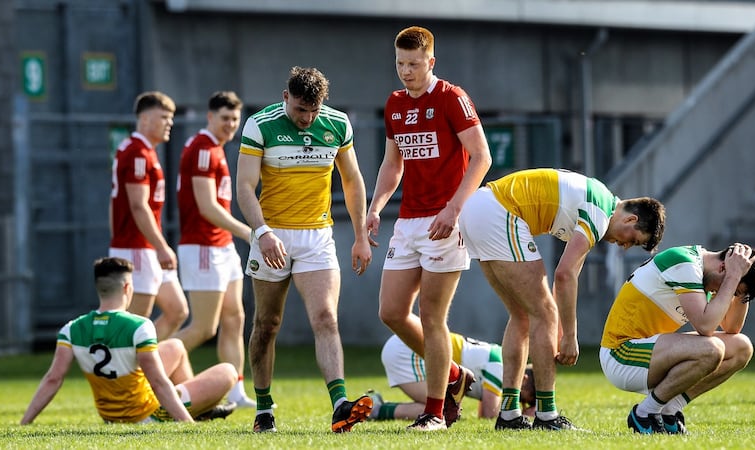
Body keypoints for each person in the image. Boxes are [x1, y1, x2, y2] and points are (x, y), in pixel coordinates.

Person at [457, 167, 666, 431]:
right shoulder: (600, 214)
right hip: (498, 211)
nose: (623, 246)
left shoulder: (597, 198)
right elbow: (565, 274)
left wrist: (559, 330)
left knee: (522, 316)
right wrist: (569, 336)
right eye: (632, 240)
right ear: (630, 220)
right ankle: (547, 415)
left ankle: (509, 413)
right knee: (543, 313)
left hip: (479, 207)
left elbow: (567, 279)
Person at [365, 25, 492, 431]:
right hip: (408, 222)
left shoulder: (452, 98)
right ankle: (454, 376)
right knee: (391, 312)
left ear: (431, 62)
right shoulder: (395, 103)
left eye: (414, 64)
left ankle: (436, 411)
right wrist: (375, 207)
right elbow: (393, 163)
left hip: (445, 221)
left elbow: (481, 157)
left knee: (432, 317)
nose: (406, 71)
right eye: (400, 63)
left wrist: (455, 209)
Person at [236, 66, 373, 433]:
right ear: (286, 98)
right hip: (272, 235)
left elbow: (352, 180)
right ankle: (264, 408)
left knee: (326, 318)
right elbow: (245, 187)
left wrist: (360, 234)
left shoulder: (337, 124)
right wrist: (262, 232)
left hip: (317, 236)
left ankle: (340, 405)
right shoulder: (259, 125)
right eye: (300, 110)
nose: (307, 118)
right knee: (267, 324)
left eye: (313, 111)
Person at [20, 257, 238, 425]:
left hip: (110, 415)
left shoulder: (72, 328)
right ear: (127, 288)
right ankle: (195, 412)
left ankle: (200, 409)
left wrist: (25, 422)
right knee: (228, 372)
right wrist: (186, 425)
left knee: (175, 346)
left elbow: (53, 379)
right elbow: (159, 383)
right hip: (146, 414)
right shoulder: (139, 325)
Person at [600, 243, 755, 434]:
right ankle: (645, 413)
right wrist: (733, 277)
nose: (728, 295)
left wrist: (741, 284)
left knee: (742, 347)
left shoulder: (705, 272)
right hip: (620, 354)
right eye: (733, 292)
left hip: (648, 350)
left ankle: (669, 410)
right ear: (723, 267)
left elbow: (732, 327)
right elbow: (706, 326)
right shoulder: (685, 263)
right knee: (712, 349)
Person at [173, 91, 255, 408]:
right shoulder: (203, 148)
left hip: (221, 245)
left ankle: (235, 392)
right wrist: (248, 232)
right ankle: (147, 371)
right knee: (204, 327)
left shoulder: (217, 149)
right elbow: (207, 207)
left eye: (235, 119)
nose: (230, 125)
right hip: (203, 246)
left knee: (235, 318)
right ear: (210, 117)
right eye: (225, 118)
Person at [109, 91, 189, 339]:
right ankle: (124, 371)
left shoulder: (143, 151)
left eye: (171, 117)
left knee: (177, 311)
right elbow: (138, 206)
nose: (170, 123)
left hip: (144, 246)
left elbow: (115, 205)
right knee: (134, 324)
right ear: (144, 119)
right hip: (138, 248)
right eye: (164, 116)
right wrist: (162, 246)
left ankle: (145, 364)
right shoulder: (137, 153)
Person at [368, 333, 536, 421]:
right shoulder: (501, 366)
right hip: (408, 350)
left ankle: (377, 408)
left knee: (441, 409)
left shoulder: (499, 357)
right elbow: (488, 414)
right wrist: (525, 415)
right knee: (440, 409)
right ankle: (375, 409)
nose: (520, 400)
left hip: (407, 347)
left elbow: (484, 410)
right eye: (525, 397)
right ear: (525, 379)